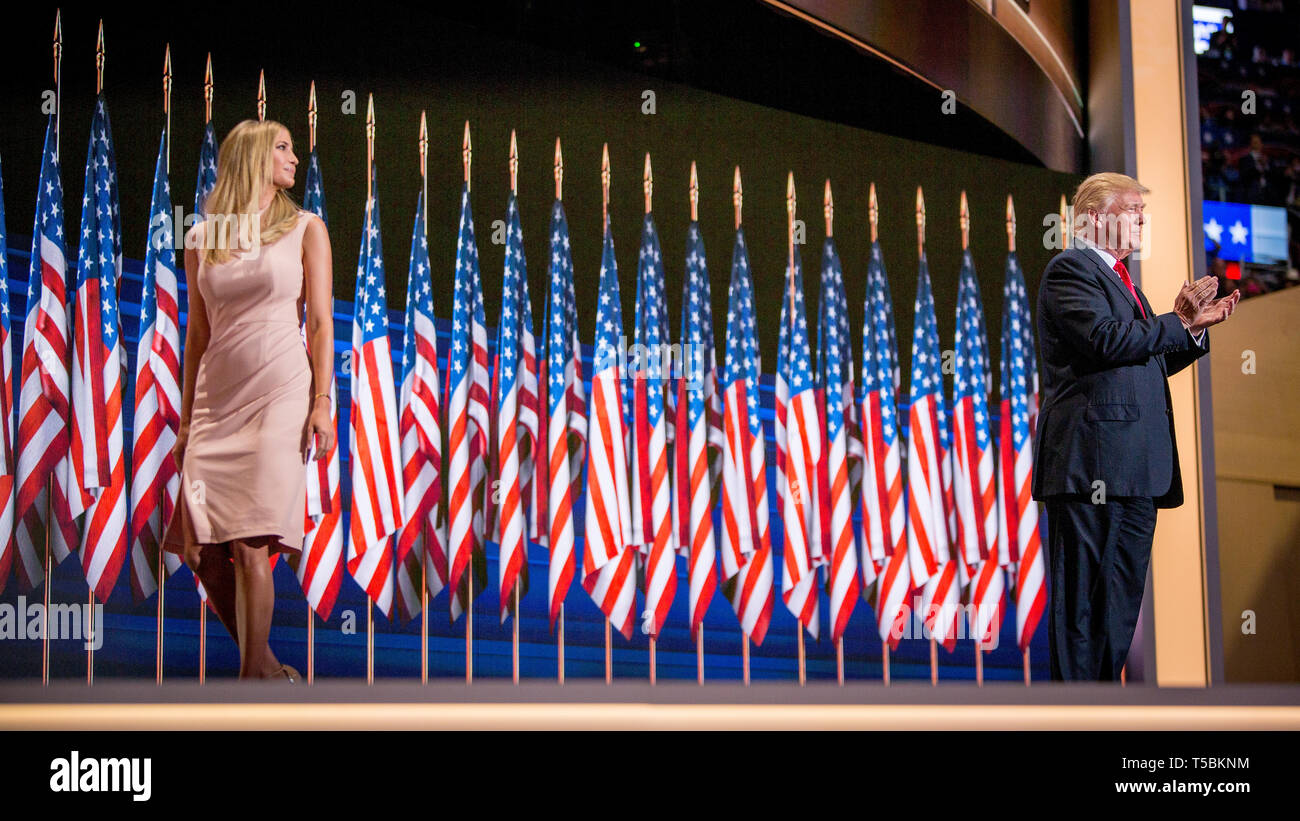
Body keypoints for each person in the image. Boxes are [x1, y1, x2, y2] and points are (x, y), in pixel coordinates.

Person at [1032, 172, 1239, 681]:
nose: (1143, 219)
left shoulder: (1127, 286)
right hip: (1092, 471)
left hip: (1137, 474)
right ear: (1098, 217)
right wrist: (1176, 320)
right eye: (1132, 209)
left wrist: (1190, 332)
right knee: (1080, 616)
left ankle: (1102, 710)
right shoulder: (1071, 270)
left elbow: (1140, 362)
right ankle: (1071, 719)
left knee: (1115, 619)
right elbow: (1104, 340)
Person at [162, 119, 336, 682]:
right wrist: (188, 422)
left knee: (252, 539)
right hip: (216, 402)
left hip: (280, 392)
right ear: (253, 157)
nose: (293, 158)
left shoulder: (307, 228)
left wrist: (323, 401)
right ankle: (264, 668)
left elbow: (320, 324)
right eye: (281, 148)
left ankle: (247, 686)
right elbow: (197, 335)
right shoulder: (201, 239)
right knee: (203, 550)